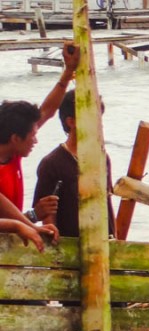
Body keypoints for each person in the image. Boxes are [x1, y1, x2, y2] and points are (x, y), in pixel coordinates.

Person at [0, 42, 77, 250]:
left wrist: (68, 71)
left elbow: (47, 111)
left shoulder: (11, 152)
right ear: (16, 138)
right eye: (32, 136)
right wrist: (24, 223)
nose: (36, 140)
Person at [33, 90, 116, 238]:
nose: (99, 125)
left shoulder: (102, 157)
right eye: (92, 118)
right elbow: (47, 216)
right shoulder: (51, 164)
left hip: (104, 241)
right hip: (71, 243)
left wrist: (116, 237)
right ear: (71, 122)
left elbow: (107, 202)